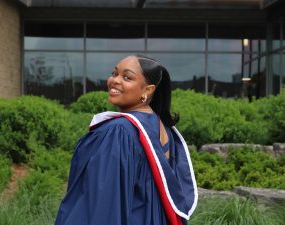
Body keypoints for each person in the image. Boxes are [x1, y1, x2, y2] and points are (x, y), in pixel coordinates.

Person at [54, 55, 198, 225]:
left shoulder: (118, 131)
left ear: (148, 90)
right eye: (114, 74)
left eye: (127, 77)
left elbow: (103, 203)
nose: (114, 80)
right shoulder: (160, 126)